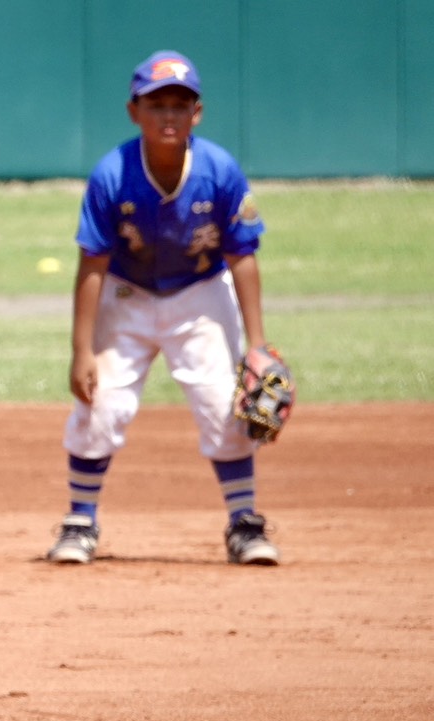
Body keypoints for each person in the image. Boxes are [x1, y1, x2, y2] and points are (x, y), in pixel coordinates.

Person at [46, 50, 280, 566]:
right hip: (126, 294)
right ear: (134, 112)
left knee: (223, 406)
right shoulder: (112, 174)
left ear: (197, 112)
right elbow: (91, 265)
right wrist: (81, 349)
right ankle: (80, 521)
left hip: (200, 294)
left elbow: (243, 256)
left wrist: (258, 345)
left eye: (180, 104)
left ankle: (244, 522)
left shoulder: (220, 170)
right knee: (100, 404)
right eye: (156, 105)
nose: (168, 115)